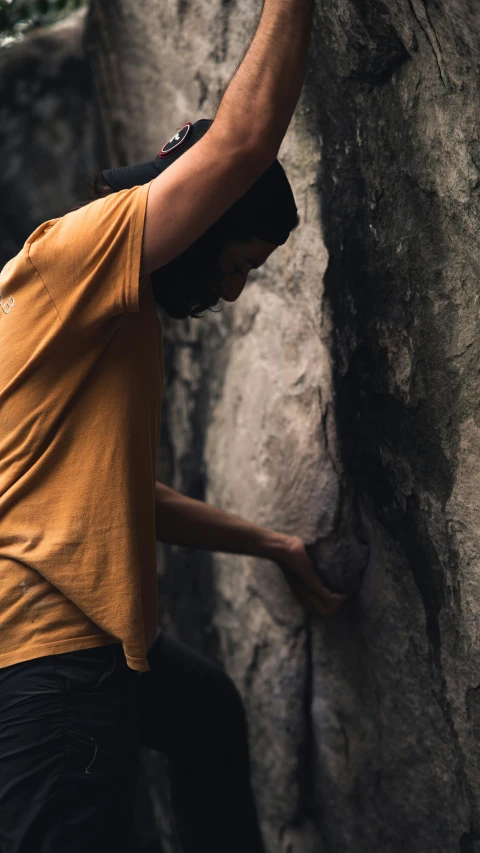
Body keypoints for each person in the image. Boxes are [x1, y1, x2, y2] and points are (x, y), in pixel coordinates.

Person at [0, 0, 347, 851]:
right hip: (48, 663)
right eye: (235, 263)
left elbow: (121, 497)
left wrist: (271, 543)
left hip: (82, 647)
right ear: (199, 220)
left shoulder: (96, 322)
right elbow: (243, 143)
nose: (230, 292)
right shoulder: (70, 257)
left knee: (204, 712)